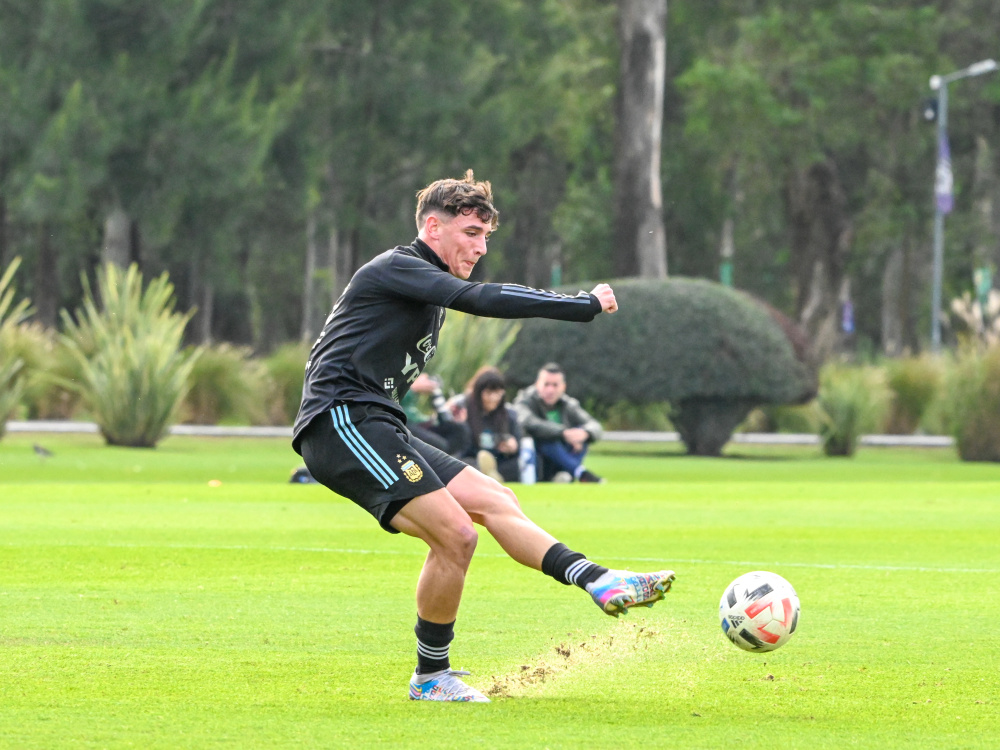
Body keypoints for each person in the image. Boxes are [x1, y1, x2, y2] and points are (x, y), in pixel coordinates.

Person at [292, 170, 674, 703]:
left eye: (486, 237)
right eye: (471, 233)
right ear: (433, 226)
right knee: (456, 535)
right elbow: (483, 298)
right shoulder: (400, 266)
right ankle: (430, 678)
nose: (480, 247)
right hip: (341, 424)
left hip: (378, 424)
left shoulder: (420, 282)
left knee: (496, 498)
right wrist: (581, 304)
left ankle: (599, 580)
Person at [514, 363, 605, 483]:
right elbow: (529, 422)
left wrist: (584, 433)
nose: (550, 390)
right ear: (537, 384)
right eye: (546, 384)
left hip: (563, 455)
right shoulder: (524, 400)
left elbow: (595, 426)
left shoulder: (568, 404)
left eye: (555, 385)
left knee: (580, 432)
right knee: (548, 438)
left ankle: (567, 473)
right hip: (538, 458)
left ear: (563, 387)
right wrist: (563, 433)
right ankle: (579, 472)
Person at [460, 366, 521, 483]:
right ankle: (488, 475)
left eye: (497, 393)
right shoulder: (464, 410)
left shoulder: (509, 415)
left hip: (499, 460)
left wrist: (512, 446)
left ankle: (490, 475)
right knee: (466, 464)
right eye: (488, 393)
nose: (493, 398)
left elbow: (517, 445)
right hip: (473, 457)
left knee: (514, 466)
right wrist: (461, 424)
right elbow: (462, 447)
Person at [401, 372, 471, 457]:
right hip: (401, 421)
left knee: (460, 430)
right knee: (440, 445)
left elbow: (414, 412)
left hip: (418, 422)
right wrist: (413, 388)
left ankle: (453, 462)